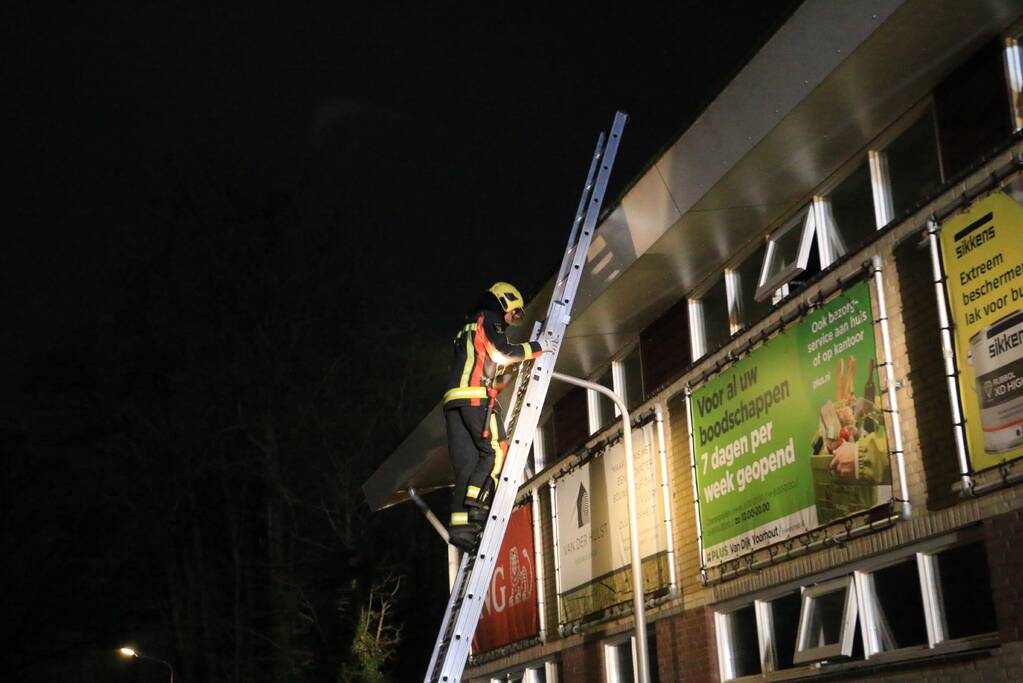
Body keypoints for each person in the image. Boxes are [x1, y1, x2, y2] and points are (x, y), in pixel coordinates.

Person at [443, 282, 556, 552]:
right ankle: (479, 506)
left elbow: (480, 362)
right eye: (514, 313)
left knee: (467, 465)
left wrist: (501, 379)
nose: (512, 319)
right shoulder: (490, 318)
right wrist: (539, 347)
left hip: (453, 402)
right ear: (503, 302)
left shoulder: (465, 328)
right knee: (495, 451)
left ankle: (462, 530)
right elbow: (501, 352)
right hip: (475, 397)